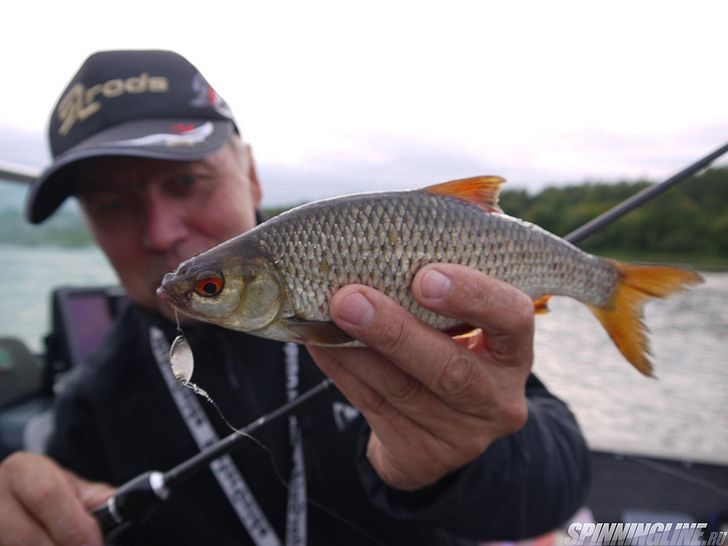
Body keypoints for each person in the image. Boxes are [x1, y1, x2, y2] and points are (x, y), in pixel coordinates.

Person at [0, 50, 590, 546]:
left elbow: (564, 478)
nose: (160, 232)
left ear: (251, 176)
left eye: (185, 182)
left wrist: (465, 460)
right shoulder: (88, 404)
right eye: (112, 206)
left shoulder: (383, 293)